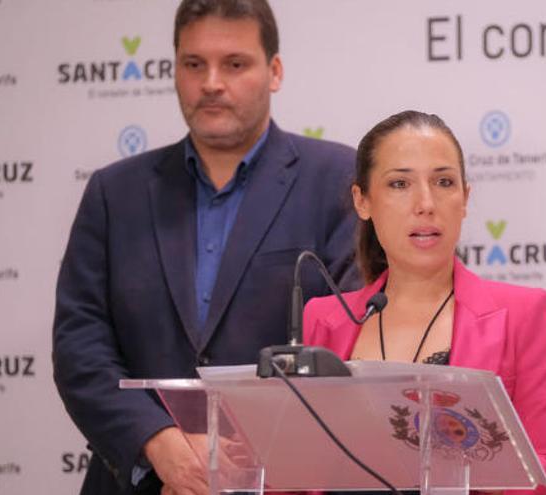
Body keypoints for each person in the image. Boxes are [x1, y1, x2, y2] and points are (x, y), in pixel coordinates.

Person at [52, 1, 358, 494]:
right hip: (146, 479)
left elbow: (353, 348)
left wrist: (241, 454)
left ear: (274, 71)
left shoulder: (339, 182)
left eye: (235, 64)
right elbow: (80, 348)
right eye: (194, 64)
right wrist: (158, 443)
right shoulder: (114, 194)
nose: (212, 82)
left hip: (286, 481)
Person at [303, 111, 546, 495]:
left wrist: (476, 468)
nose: (426, 203)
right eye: (400, 183)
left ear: (465, 198)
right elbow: (296, 470)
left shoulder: (522, 314)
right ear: (362, 201)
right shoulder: (324, 318)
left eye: (444, 182)